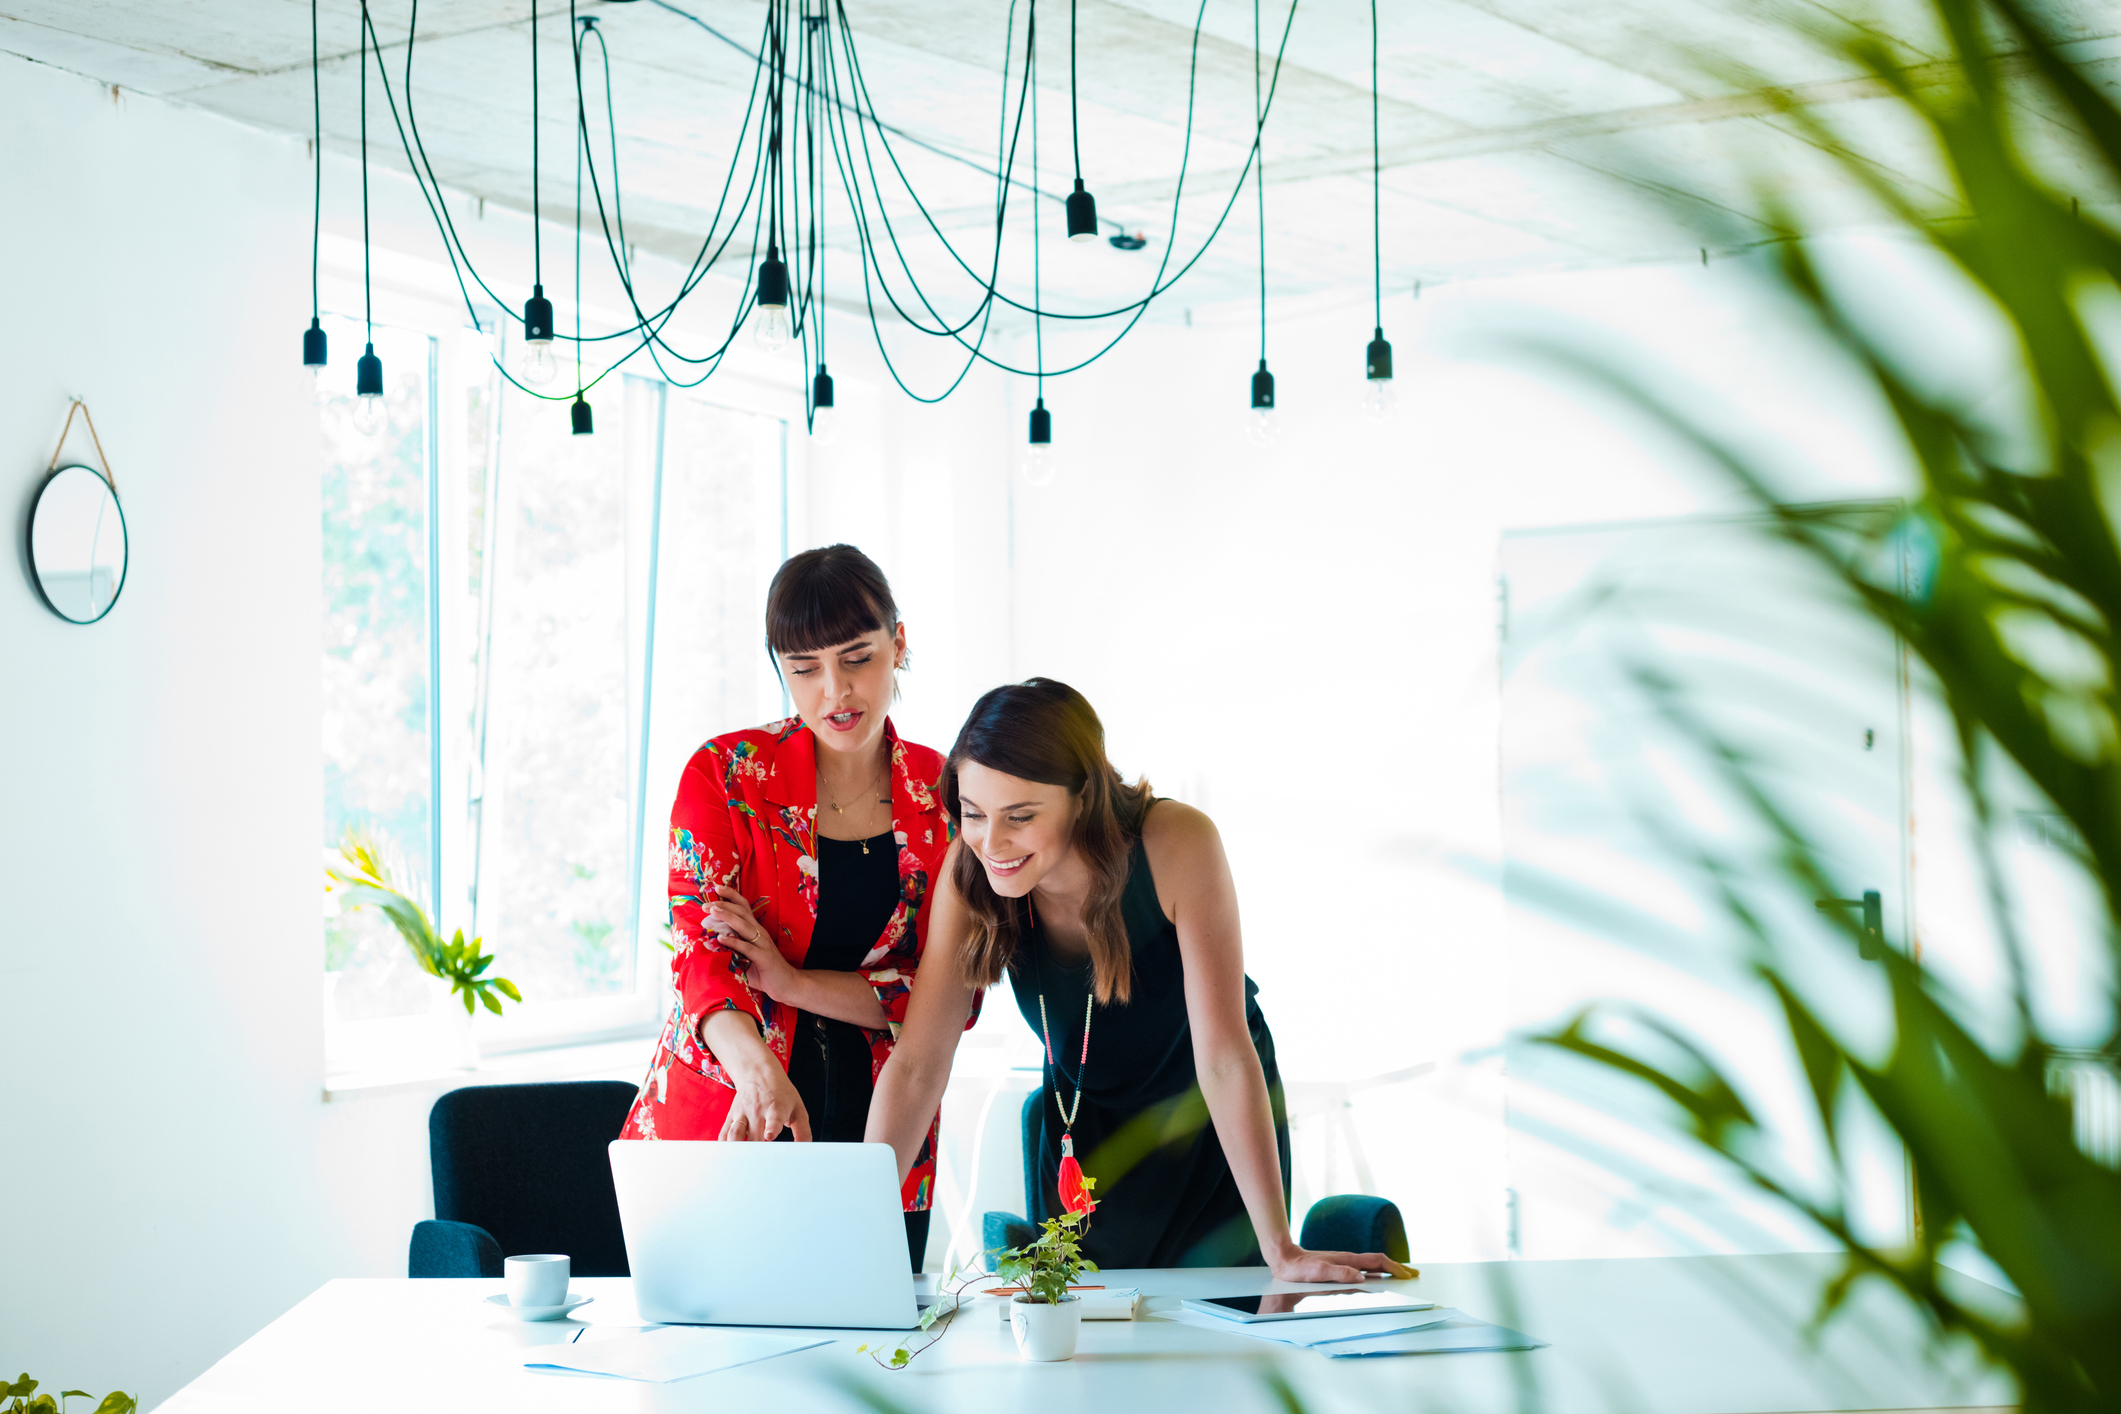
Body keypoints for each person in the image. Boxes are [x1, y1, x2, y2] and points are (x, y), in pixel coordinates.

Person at [865, 679, 1412, 1281]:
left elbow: (1226, 1056)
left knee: (1218, 1338)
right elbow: (918, 1065)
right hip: (1087, 1134)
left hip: (1208, 1131)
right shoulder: (970, 875)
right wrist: (856, 1233)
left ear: (1083, 795)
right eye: (973, 814)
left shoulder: (1176, 843)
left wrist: (1281, 1247)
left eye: (1020, 817)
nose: (992, 843)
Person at [620, 544, 972, 1271]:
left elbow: (948, 1000)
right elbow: (701, 951)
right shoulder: (725, 775)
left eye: (857, 657)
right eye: (803, 668)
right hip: (733, 1107)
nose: (834, 691)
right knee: (706, 1357)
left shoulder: (948, 799)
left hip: (884, 1123)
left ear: (898, 645)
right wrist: (756, 1070)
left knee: (868, 1362)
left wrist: (788, 982)